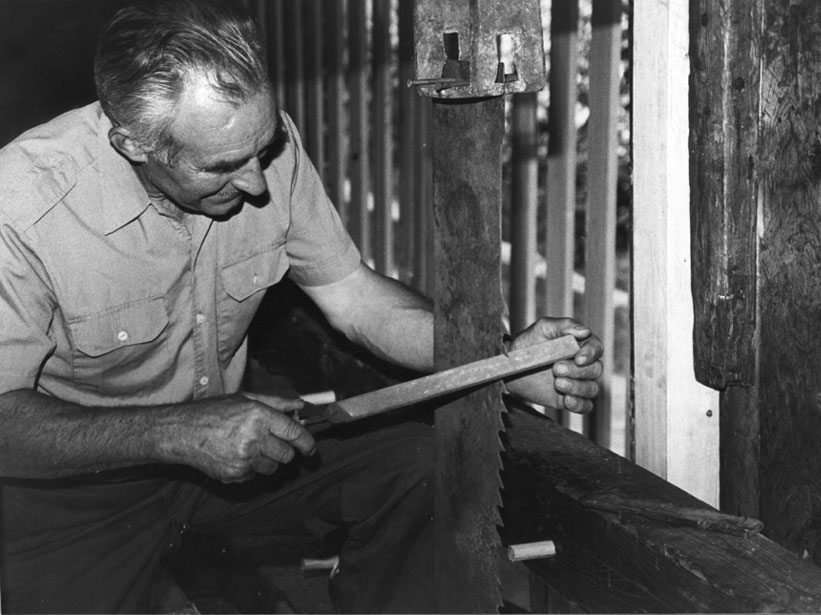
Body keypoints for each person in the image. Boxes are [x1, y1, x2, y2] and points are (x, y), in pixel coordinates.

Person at [0, 0, 603, 612]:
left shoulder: (259, 145)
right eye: (224, 166)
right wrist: (177, 433)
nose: (258, 183)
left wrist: (501, 361)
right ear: (132, 144)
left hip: (234, 446)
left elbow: (357, 301)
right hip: (77, 491)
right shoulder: (22, 205)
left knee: (418, 471)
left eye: (262, 150)